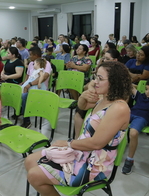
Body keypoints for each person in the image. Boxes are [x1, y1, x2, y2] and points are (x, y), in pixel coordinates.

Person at [25, 61, 131, 194]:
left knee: (34, 175)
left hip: (93, 165)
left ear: (114, 82)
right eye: (95, 77)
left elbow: (97, 143)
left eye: (100, 78)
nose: (95, 81)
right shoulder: (103, 98)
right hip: (81, 151)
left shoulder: (119, 107)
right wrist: (83, 96)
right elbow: (82, 107)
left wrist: (67, 143)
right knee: (29, 160)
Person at [122, 78, 149, 175]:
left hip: (142, 118)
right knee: (113, 123)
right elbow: (131, 87)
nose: (147, 92)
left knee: (133, 133)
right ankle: (109, 149)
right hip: (130, 114)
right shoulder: (140, 96)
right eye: (146, 89)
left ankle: (129, 159)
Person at [21, 47, 52, 128]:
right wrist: (24, 83)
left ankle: (26, 120)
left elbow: (44, 77)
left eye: (30, 55)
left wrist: (29, 85)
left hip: (39, 88)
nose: (29, 57)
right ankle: (21, 111)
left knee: (24, 96)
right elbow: (28, 75)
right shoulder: (31, 63)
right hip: (30, 85)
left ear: (36, 55)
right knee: (17, 91)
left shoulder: (45, 63)